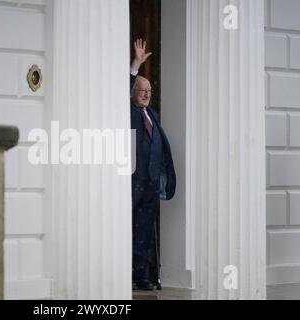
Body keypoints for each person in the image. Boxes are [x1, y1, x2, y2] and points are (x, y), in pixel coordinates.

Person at [130, 38, 176, 291]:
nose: (147, 94)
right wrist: (136, 64)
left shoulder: (153, 115)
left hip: (149, 184)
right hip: (130, 181)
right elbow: (123, 87)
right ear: (132, 93)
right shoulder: (127, 111)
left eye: (149, 91)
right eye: (141, 90)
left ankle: (141, 275)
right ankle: (121, 270)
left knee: (145, 230)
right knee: (126, 228)